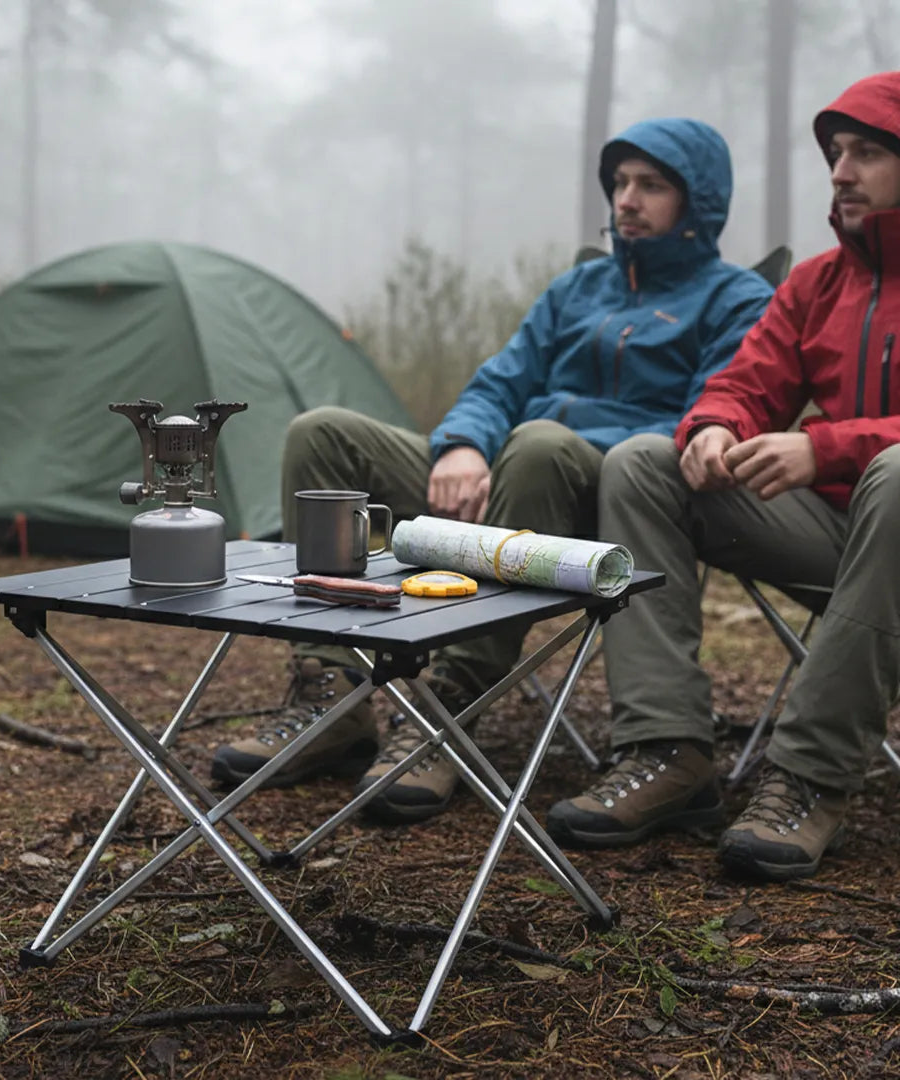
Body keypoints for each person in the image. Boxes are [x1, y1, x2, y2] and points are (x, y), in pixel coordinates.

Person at [211, 117, 773, 826]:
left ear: (699, 201)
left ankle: (450, 707)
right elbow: (499, 382)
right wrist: (463, 446)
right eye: (620, 183)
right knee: (322, 434)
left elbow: (698, 425)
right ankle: (332, 694)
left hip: (604, 499)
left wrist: (539, 442)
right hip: (504, 472)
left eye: (651, 185)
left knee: (539, 444)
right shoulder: (578, 289)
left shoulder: (735, 300)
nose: (627, 200)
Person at [547, 71, 900, 882]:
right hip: (842, 540)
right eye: (836, 153)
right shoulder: (818, 283)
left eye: (869, 153)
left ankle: (809, 779)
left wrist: (826, 448)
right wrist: (714, 426)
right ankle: (666, 748)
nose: (842, 171)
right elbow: (744, 382)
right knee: (646, 462)